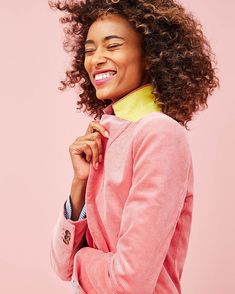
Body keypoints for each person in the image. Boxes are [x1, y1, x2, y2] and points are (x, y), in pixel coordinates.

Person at [48, 0, 219, 293]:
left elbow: (129, 283)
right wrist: (80, 182)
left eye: (112, 46)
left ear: (150, 56)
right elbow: (60, 264)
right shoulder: (105, 135)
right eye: (90, 50)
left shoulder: (159, 134)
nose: (96, 59)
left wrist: (82, 259)